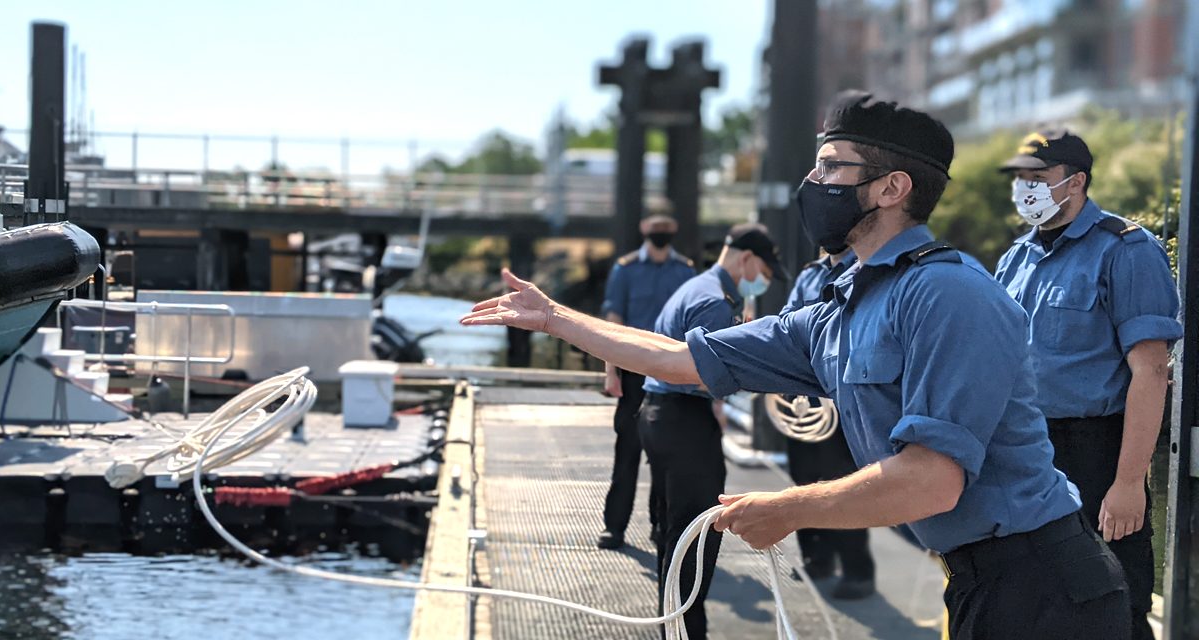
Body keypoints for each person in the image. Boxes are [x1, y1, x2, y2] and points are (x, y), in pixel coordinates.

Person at [462, 91, 1132, 639]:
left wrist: (788, 508)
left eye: (832, 167)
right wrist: (555, 318)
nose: (814, 184)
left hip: (1044, 587)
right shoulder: (841, 308)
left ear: (892, 188)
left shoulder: (948, 294)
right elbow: (682, 359)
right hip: (980, 581)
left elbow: (931, 481)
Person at [993, 129, 1181, 640]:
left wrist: (1128, 482)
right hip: (1025, 449)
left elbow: (1150, 372)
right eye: (1020, 177)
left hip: (1095, 451)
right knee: (1030, 602)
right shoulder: (1015, 259)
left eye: (1037, 177)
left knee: (1112, 602)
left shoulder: (1125, 249)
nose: (1024, 188)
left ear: (1075, 182)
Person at [640, 222, 786, 638]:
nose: (762, 281)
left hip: (658, 413)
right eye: (764, 272)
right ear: (747, 259)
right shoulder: (714, 303)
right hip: (685, 422)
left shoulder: (695, 286)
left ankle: (673, 629)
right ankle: (687, 632)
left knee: (673, 534)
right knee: (695, 539)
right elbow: (709, 373)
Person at [777, 247, 876, 600]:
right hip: (805, 402)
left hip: (842, 397)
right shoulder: (809, 275)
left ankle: (856, 570)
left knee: (844, 483)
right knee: (803, 478)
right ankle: (816, 558)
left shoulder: (867, 269)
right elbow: (786, 324)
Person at [597, 212, 696, 550]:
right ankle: (614, 527)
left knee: (665, 456)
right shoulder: (625, 269)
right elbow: (613, 321)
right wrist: (610, 370)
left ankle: (660, 524)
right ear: (643, 229)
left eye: (665, 227)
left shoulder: (685, 271)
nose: (660, 232)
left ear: (674, 229)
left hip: (671, 373)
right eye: (655, 227)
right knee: (626, 452)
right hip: (633, 370)